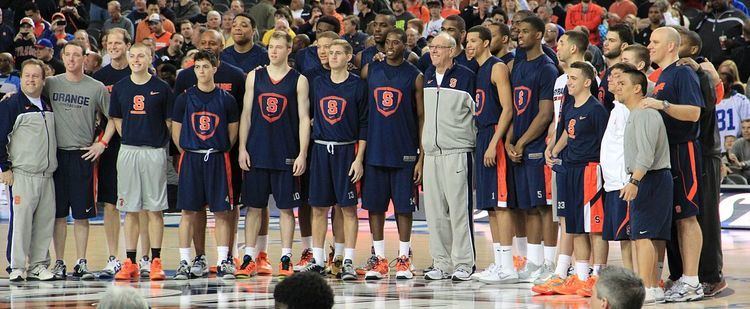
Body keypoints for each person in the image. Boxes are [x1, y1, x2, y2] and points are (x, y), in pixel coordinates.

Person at [237, 31, 311, 278]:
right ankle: (249, 257)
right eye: (271, 47)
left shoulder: (299, 80)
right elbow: (246, 115)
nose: (274, 51)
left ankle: (286, 257)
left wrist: (302, 153)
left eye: (279, 47)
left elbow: (303, 119)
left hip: (286, 154)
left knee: (287, 210)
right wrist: (242, 148)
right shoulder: (254, 76)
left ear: (289, 49)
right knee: (254, 208)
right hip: (257, 152)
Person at [174, 29, 246, 276]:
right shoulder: (184, 98)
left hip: (217, 157)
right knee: (189, 211)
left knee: (222, 211)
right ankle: (189, 259)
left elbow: (233, 132)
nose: (202, 71)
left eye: (206, 66)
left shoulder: (226, 99)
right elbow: (176, 131)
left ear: (215, 68)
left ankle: (224, 258)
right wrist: (189, 150)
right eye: (198, 67)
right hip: (192, 157)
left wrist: (219, 148)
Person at [644, 27, 705, 302]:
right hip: (666, 152)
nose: (649, 46)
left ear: (671, 46)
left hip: (684, 150)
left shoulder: (682, 72)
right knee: (675, 220)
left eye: (654, 42)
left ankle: (692, 282)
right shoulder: (661, 77)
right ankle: (680, 278)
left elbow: (693, 113)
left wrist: (662, 105)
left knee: (687, 215)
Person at [299, 39, 367, 280]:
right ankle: (317, 259)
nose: (332, 56)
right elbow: (306, 117)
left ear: (349, 57)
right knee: (318, 207)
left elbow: (364, 125)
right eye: (330, 52)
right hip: (320, 150)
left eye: (338, 53)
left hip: (346, 151)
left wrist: (359, 159)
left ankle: (345, 259)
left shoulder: (358, 86)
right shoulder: (317, 82)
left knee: (347, 208)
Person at [358, 28, 423, 280]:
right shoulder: (370, 70)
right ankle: (380, 258)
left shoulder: (414, 76)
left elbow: (421, 117)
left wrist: (421, 155)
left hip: (404, 151)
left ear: (405, 45)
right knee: (375, 208)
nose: (392, 46)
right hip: (375, 150)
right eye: (388, 43)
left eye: (397, 42)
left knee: (403, 209)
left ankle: (404, 258)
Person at [46, 41, 114, 281]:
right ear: (62, 58)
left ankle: (81, 262)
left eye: (77, 55)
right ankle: (60, 262)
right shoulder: (51, 84)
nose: (72, 59)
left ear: (85, 58)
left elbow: (113, 118)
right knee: (58, 214)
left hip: (82, 155)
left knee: (82, 215)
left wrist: (102, 143)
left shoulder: (96, 88)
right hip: (55, 156)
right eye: (68, 55)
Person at [533, 30, 592, 295]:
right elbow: (560, 119)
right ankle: (563, 270)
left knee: (578, 219)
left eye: (562, 43)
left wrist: (560, 145)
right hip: (559, 153)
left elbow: (580, 120)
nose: (557, 47)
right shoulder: (560, 80)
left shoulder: (589, 78)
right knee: (563, 215)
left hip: (579, 157)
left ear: (575, 48)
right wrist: (551, 143)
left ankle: (578, 271)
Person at [110, 43, 172, 281]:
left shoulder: (162, 88)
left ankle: (155, 260)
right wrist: (130, 136)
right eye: (133, 56)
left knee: (155, 208)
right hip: (128, 151)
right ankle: (130, 262)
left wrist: (154, 137)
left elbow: (168, 120)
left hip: (154, 152)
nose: (136, 60)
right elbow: (115, 117)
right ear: (128, 58)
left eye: (141, 56)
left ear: (150, 59)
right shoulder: (121, 87)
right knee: (130, 209)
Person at [547, 62, 608, 296]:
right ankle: (582, 276)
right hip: (570, 169)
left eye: (573, 78)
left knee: (594, 226)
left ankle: (597, 274)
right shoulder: (570, 104)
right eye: (568, 78)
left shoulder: (596, 110)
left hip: (590, 171)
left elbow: (605, 142)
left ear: (587, 82)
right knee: (576, 225)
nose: (568, 82)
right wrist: (553, 149)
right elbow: (566, 133)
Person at [421, 32, 476, 281]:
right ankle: (441, 263)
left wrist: (468, 141)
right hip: (431, 153)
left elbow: (478, 115)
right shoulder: (427, 76)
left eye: (439, 48)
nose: (433, 52)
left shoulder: (467, 77)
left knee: (459, 211)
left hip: (457, 152)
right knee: (434, 213)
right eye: (431, 47)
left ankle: (464, 263)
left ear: (452, 51)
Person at [507, 16, 558, 285]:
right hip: (521, 144)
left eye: (525, 32)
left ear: (539, 35)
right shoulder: (517, 65)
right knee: (528, 207)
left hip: (538, 146)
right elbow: (517, 109)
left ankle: (550, 263)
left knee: (543, 207)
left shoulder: (547, 68)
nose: (520, 35)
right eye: (518, 31)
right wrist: (509, 141)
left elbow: (544, 113)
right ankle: (534, 261)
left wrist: (522, 141)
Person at [463, 25, 515, 284]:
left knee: (501, 205)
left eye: (473, 41)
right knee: (491, 207)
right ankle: (499, 263)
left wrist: (495, 142)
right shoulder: (477, 70)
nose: (468, 45)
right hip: (482, 134)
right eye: (466, 41)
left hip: (494, 134)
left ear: (486, 42)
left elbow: (508, 109)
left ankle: (509, 266)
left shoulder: (497, 67)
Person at [618, 67, 673, 304]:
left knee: (644, 236)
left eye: (622, 84)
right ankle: (653, 287)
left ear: (637, 88)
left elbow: (647, 154)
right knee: (650, 236)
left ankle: (649, 288)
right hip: (650, 178)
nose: (617, 88)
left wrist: (634, 181)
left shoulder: (644, 113)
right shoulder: (636, 113)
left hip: (650, 178)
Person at [2, 59, 57, 282]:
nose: (31, 80)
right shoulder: (11, 104)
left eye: (35, 76)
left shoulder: (47, 104)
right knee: (21, 222)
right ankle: (16, 266)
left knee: (44, 223)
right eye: (27, 75)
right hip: (22, 174)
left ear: (43, 80)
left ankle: (38, 265)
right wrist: (4, 168)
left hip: (47, 175)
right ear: (21, 78)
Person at [91, 28, 137, 280]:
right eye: (110, 43)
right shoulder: (100, 77)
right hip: (110, 146)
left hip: (136, 144)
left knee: (135, 204)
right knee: (110, 202)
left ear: (128, 45)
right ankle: (112, 256)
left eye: (119, 42)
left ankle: (135, 256)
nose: (114, 46)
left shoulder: (138, 71)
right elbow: (99, 113)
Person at [693, 0, 745, 65]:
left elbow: (747, 38)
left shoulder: (738, 16)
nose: (715, 2)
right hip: (701, 63)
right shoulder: (706, 15)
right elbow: (691, 29)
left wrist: (733, 42)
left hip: (724, 65)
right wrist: (703, 13)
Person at [601, 24, 634, 112]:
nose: (605, 43)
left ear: (623, 46)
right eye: (606, 39)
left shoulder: (625, 74)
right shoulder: (607, 72)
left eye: (611, 40)